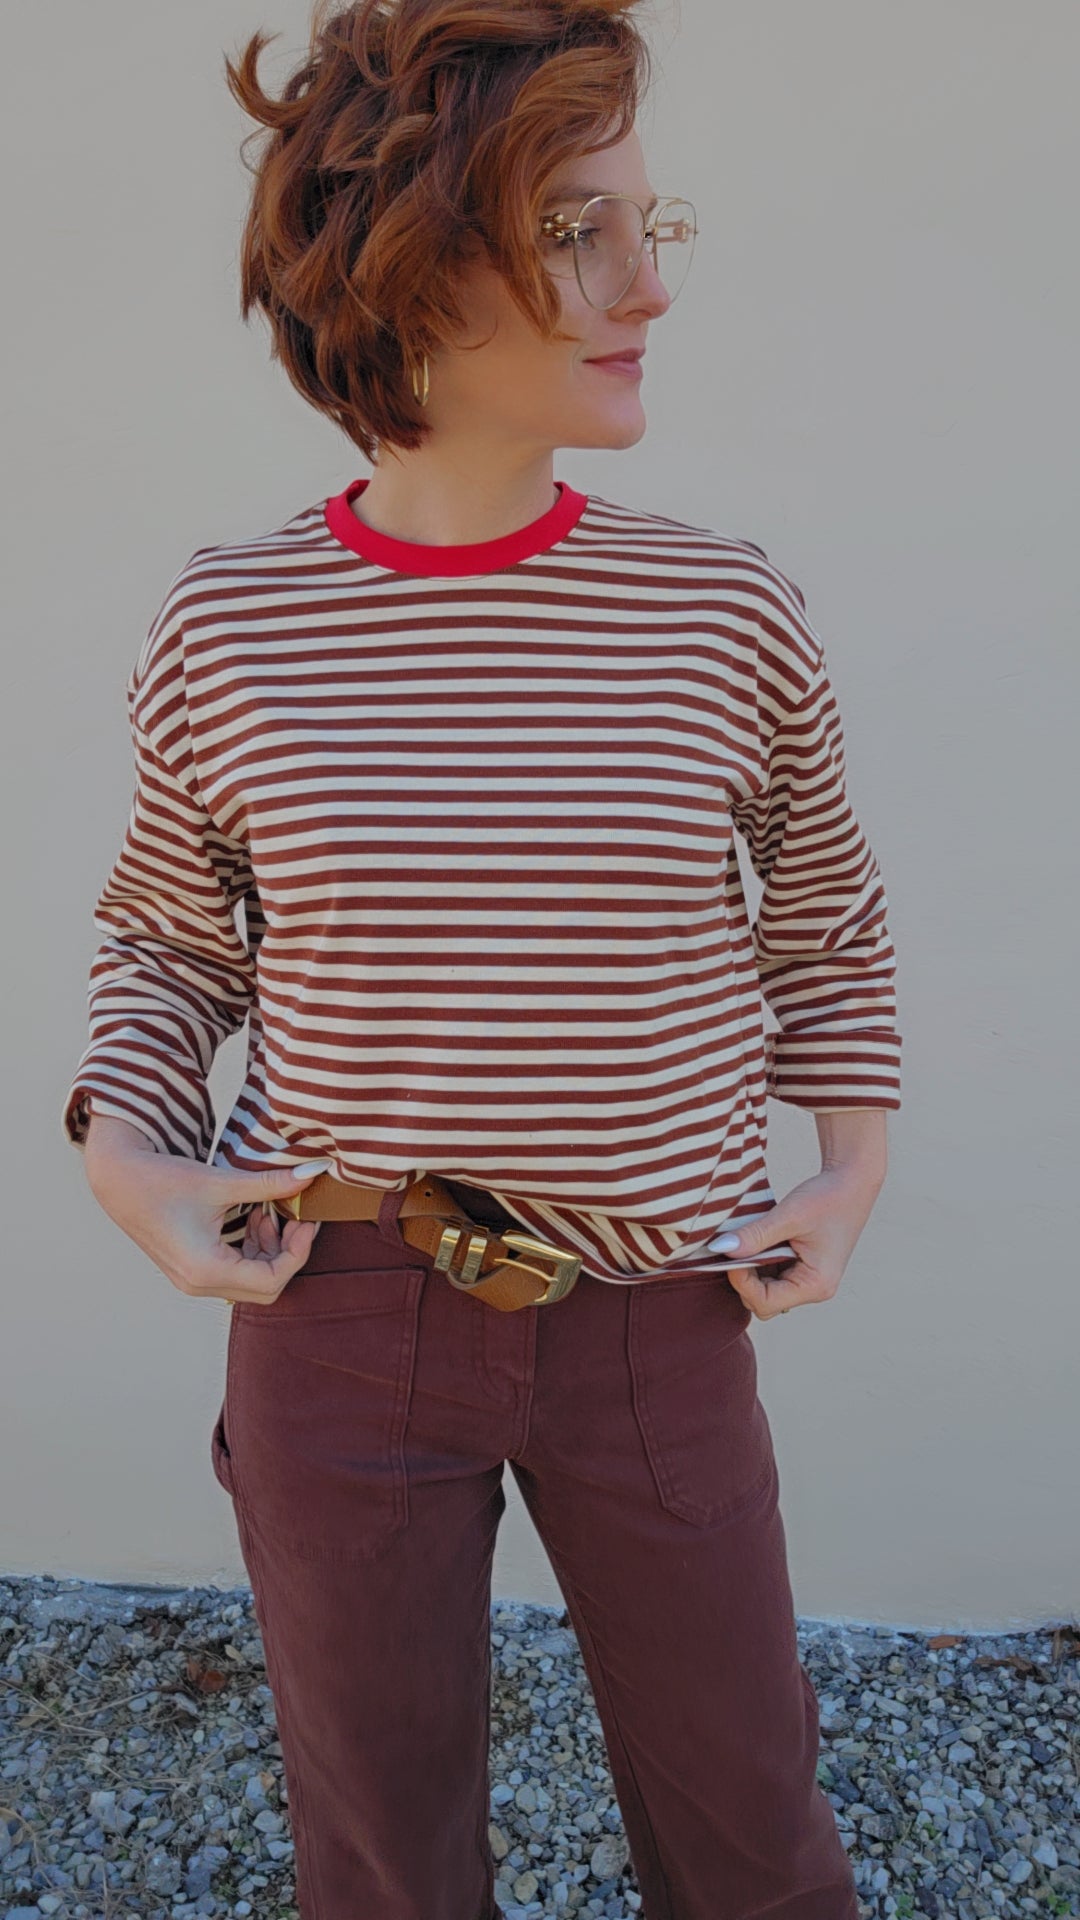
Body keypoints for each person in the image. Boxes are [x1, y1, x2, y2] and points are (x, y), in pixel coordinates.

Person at [63, 1, 902, 1914]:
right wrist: (127, 1159)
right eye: (577, 232)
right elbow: (169, 940)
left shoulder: (723, 608)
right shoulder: (230, 622)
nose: (649, 288)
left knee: (754, 1833)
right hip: (340, 1306)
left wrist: (850, 1172)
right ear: (412, 266)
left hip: (658, 1310)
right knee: (380, 1849)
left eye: (646, 223)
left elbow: (826, 920)